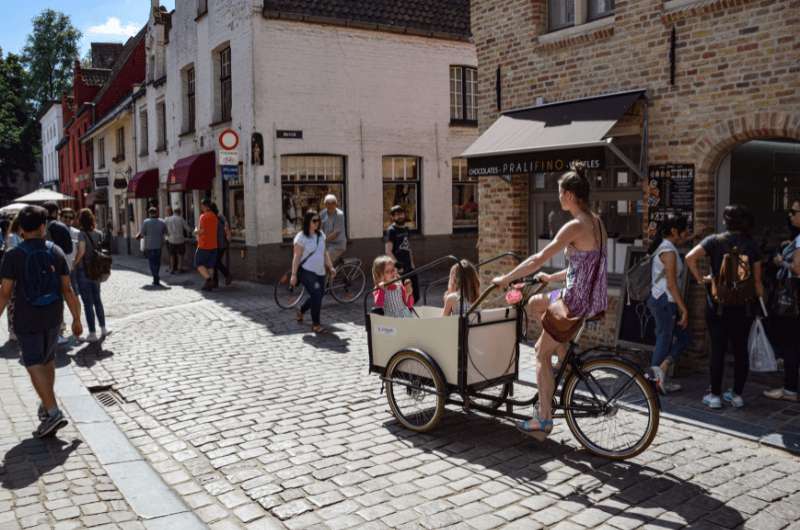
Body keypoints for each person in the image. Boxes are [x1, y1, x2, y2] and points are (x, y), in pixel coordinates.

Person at [492, 162, 608, 440]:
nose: (558, 198)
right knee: (534, 304)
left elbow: (537, 258)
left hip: (574, 302)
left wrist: (507, 277)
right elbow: (584, 267)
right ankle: (562, 354)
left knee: (540, 353)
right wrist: (550, 278)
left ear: (568, 195)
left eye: (559, 193)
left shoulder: (575, 225)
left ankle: (543, 421)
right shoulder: (597, 221)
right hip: (590, 297)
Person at [0, 205, 82, 437]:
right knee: (47, 360)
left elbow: (5, 293)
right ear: (43, 227)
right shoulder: (54, 250)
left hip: (27, 317)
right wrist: (76, 319)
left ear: (21, 230)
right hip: (53, 315)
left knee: (33, 362)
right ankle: (47, 406)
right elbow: (67, 289)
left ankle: (53, 412)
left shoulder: (13, 255)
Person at [686, 204, 764, 409]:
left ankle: (715, 396)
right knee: (740, 351)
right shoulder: (751, 244)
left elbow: (689, 257)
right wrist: (758, 299)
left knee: (718, 350)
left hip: (718, 306)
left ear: (725, 221)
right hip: (743, 308)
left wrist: (702, 280)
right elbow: (757, 283)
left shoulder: (714, 241)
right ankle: (737, 395)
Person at [646, 214, 692, 394]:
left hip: (661, 299)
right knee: (664, 340)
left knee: (682, 338)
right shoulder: (669, 252)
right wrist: (684, 309)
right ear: (674, 231)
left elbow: (683, 238)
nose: (686, 234)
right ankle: (653, 382)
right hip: (666, 300)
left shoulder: (663, 245)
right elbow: (672, 284)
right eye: (685, 230)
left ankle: (660, 374)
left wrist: (696, 235)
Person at [764, 199, 800, 402]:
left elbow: (798, 268)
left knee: (790, 343)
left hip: (793, 298)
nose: (790, 215)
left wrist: (781, 261)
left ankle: (790, 389)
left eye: (794, 211)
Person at [290, 210, 335, 333]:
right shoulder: (301, 237)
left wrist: (330, 267)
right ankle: (316, 325)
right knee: (316, 294)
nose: (317, 223)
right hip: (306, 271)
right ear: (308, 222)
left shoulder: (321, 235)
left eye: (318, 220)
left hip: (320, 271)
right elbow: (297, 256)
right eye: (314, 221)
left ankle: (301, 310)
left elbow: (325, 253)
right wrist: (293, 275)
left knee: (319, 295)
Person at [74, 208, 108, 342]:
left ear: (80, 221)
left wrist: (74, 263)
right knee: (98, 300)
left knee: (88, 303)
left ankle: (92, 333)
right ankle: (104, 328)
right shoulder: (98, 233)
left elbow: (81, 250)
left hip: (84, 271)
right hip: (96, 270)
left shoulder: (81, 234)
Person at [384, 205, 419, 301]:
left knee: (414, 294)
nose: (400, 216)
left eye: (401, 214)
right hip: (400, 268)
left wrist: (412, 264)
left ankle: (410, 311)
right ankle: (404, 313)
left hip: (409, 266)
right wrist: (397, 265)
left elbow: (408, 247)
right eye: (396, 215)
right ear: (392, 217)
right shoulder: (391, 231)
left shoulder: (406, 229)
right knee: (402, 295)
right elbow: (388, 251)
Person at [136, 207, 167, 287]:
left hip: (149, 246)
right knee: (157, 262)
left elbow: (142, 234)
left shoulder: (146, 222)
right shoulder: (162, 222)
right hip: (159, 245)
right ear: (156, 213)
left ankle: (155, 277)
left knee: (152, 262)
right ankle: (156, 276)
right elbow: (166, 232)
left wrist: (139, 236)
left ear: (150, 214)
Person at [4, 214, 22, 342]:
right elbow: (13, 253)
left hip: (19, 275)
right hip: (12, 275)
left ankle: (17, 329)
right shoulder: (12, 236)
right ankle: (12, 330)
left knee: (17, 303)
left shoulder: (20, 236)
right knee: (11, 303)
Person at [194, 199, 218, 291]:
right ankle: (209, 285)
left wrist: (195, 231)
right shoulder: (214, 216)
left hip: (204, 245)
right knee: (210, 266)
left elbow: (202, 231)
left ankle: (208, 280)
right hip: (214, 245)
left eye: (202, 206)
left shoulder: (203, 216)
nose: (201, 207)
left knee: (198, 263)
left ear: (205, 206)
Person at [210, 203, 232, 287]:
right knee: (214, 262)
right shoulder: (214, 217)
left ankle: (227, 275)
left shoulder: (220, 218)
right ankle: (215, 282)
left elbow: (226, 228)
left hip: (221, 244)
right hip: (215, 244)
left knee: (215, 262)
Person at [321, 195, 347, 265]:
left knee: (324, 262)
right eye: (328, 203)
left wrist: (323, 240)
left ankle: (328, 275)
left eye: (332, 203)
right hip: (327, 244)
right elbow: (318, 226)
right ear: (325, 204)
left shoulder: (339, 215)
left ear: (335, 204)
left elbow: (336, 233)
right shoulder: (323, 213)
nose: (330, 205)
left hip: (337, 245)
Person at [165, 207, 191, 274]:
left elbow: (164, 229)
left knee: (172, 255)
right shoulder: (181, 219)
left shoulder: (168, 219)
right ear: (180, 212)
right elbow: (188, 229)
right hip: (180, 240)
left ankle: (172, 269)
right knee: (180, 255)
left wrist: (167, 234)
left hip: (171, 239)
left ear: (174, 212)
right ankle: (179, 268)